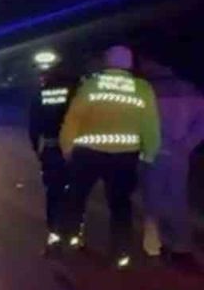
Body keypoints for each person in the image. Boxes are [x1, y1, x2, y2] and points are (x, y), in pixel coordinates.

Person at [60, 45, 161, 269]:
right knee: (120, 205)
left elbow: (73, 119)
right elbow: (150, 123)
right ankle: (120, 254)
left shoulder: (90, 84)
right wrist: (150, 153)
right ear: (129, 64)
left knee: (76, 198)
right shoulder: (142, 88)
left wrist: (66, 146)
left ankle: (71, 238)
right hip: (124, 157)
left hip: (87, 153)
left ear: (106, 62)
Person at [140, 57, 204, 267]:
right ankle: (180, 246)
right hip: (178, 155)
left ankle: (158, 245)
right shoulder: (188, 89)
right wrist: (187, 144)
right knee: (176, 199)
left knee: (153, 200)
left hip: (152, 153)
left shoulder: (145, 91)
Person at [28, 64, 78, 253]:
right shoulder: (73, 92)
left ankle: (54, 234)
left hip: (51, 148)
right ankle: (74, 234)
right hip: (74, 149)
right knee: (73, 191)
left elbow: (33, 125)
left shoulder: (41, 94)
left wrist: (36, 148)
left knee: (53, 192)